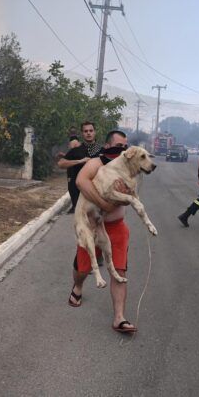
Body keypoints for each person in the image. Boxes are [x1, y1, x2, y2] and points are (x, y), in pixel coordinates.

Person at [67, 130, 138, 333]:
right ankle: (78, 287)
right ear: (107, 147)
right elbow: (81, 182)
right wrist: (104, 205)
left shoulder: (127, 167)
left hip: (116, 228)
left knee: (119, 271)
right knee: (82, 269)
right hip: (91, 226)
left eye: (125, 147)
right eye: (118, 146)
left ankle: (119, 318)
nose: (123, 150)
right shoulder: (96, 164)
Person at [58, 121, 103, 213]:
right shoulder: (76, 150)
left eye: (91, 130)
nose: (88, 133)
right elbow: (61, 163)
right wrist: (79, 161)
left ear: (95, 132)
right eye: (86, 131)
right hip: (79, 196)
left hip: (98, 196)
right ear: (82, 134)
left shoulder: (103, 150)